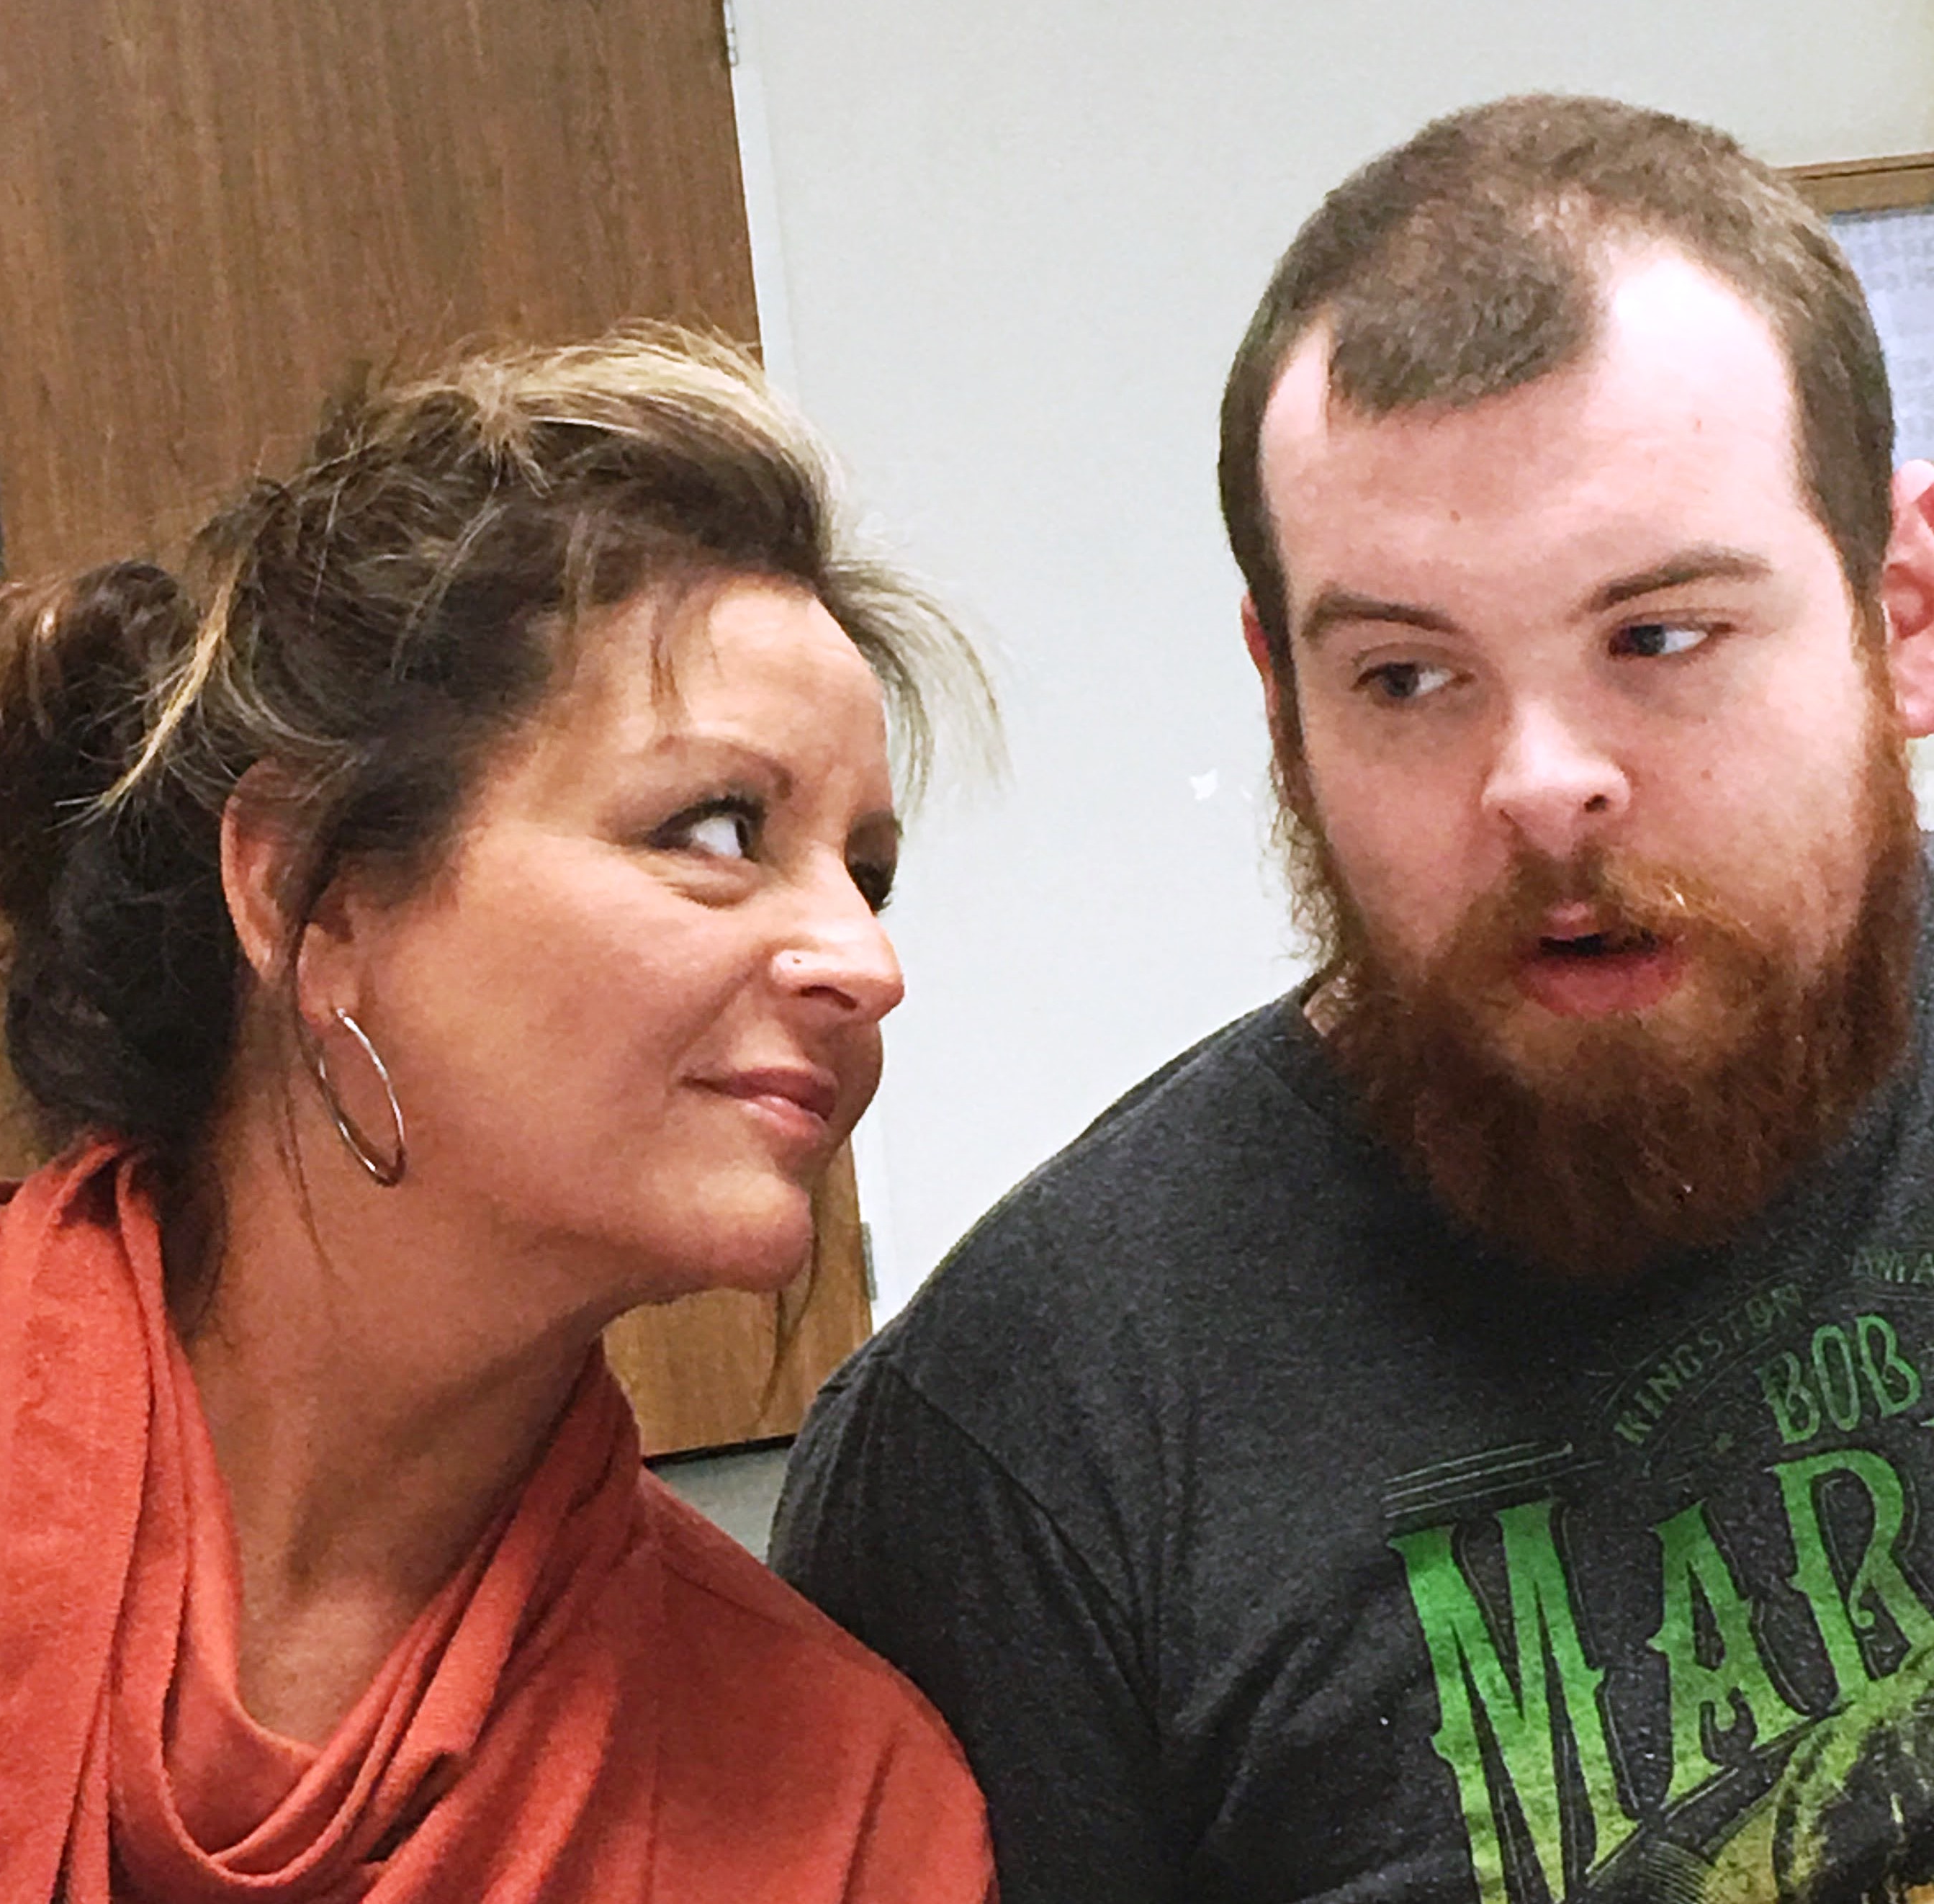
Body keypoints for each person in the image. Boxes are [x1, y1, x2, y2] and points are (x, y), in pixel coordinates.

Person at [770, 94, 1934, 1904]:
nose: (1542, 783)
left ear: (1900, 615)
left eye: (1660, 637)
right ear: (1280, 694)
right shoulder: (1026, 1447)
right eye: (1408, 676)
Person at [0, 331, 996, 1902]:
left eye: (867, 873)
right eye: (719, 827)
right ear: (306, 890)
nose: (867, 962)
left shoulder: (845, 1812)